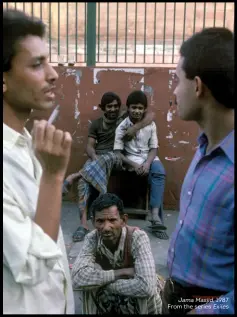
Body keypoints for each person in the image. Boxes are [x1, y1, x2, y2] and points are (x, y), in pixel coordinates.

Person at [3, 9, 74, 314]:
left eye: (49, 60)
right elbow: (33, 264)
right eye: (36, 64)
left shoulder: (25, 142)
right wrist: (53, 177)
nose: (53, 73)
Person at [162, 28, 234, 314]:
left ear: (198, 86)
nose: (174, 91)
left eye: (177, 80)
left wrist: (207, 312)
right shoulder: (205, 145)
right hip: (179, 295)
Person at [73, 91, 155, 241]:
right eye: (109, 107)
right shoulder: (97, 124)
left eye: (116, 106)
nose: (113, 109)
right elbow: (90, 147)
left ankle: (76, 174)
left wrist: (135, 128)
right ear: (102, 108)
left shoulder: (123, 117)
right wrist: (95, 158)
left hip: (118, 158)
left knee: (110, 157)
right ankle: (83, 224)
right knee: (83, 182)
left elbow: (150, 115)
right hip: (98, 158)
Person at [71, 193, 162, 314]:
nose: (106, 227)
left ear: (123, 220)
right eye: (100, 221)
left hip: (130, 294)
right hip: (113, 293)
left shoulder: (138, 237)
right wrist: (121, 273)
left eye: (112, 220)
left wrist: (104, 284)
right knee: (87, 289)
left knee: (150, 293)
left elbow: (146, 286)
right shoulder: (92, 238)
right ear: (93, 222)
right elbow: (77, 279)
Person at [114, 90, 168, 240]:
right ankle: (157, 221)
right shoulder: (122, 127)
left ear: (145, 109)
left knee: (159, 172)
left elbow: (154, 148)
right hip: (132, 159)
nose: (137, 111)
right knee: (149, 175)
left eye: (140, 108)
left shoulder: (151, 125)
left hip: (148, 158)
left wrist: (148, 163)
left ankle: (154, 214)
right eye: (133, 108)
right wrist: (134, 165)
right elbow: (118, 153)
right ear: (128, 108)